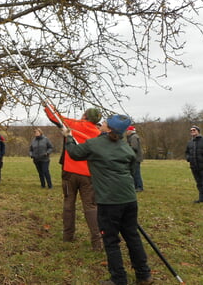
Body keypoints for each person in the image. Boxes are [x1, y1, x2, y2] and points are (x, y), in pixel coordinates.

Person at [62, 114, 153, 285]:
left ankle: (118, 279)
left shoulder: (95, 144)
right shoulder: (125, 147)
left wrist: (68, 137)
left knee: (111, 241)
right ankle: (144, 274)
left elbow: (74, 153)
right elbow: (132, 171)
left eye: (104, 122)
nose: (102, 123)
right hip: (129, 200)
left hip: (109, 202)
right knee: (132, 236)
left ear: (109, 128)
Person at [44, 104, 102, 251]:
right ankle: (97, 242)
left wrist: (48, 105)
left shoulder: (73, 125)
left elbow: (54, 116)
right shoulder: (98, 134)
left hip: (69, 172)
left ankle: (68, 236)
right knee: (91, 207)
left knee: (69, 204)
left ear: (84, 116)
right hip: (89, 175)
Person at [185, 125, 203, 205]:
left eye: (194, 130)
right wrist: (188, 158)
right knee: (199, 183)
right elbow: (187, 152)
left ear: (198, 131)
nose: (192, 131)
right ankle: (201, 198)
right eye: (191, 130)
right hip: (194, 166)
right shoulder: (190, 142)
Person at [126, 126, 144, 192]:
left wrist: (126, 148)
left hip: (136, 158)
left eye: (127, 130)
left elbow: (134, 147)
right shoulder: (134, 136)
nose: (126, 132)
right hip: (135, 157)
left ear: (130, 131)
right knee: (134, 173)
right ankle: (136, 186)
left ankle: (139, 187)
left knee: (136, 173)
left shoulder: (133, 137)